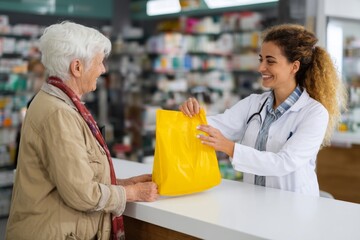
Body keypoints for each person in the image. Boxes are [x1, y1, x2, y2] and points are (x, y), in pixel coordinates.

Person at [6, 21, 158, 240]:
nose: (103, 69)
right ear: (77, 67)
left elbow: (73, 177)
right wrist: (132, 193)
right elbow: (81, 194)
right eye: (99, 62)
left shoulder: (56, 102)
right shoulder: (58, 113)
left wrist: (125, 183)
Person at [179, 24, 347, 196]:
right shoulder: (253, 104)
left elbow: (284, 162)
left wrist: (230, 148)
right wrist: (191, 116)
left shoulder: (314, 113)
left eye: (270, 61)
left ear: (294, 67)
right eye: (261, 59)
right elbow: (213, 127)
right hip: (254, 202)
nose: (261, 68)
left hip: (294, 208)